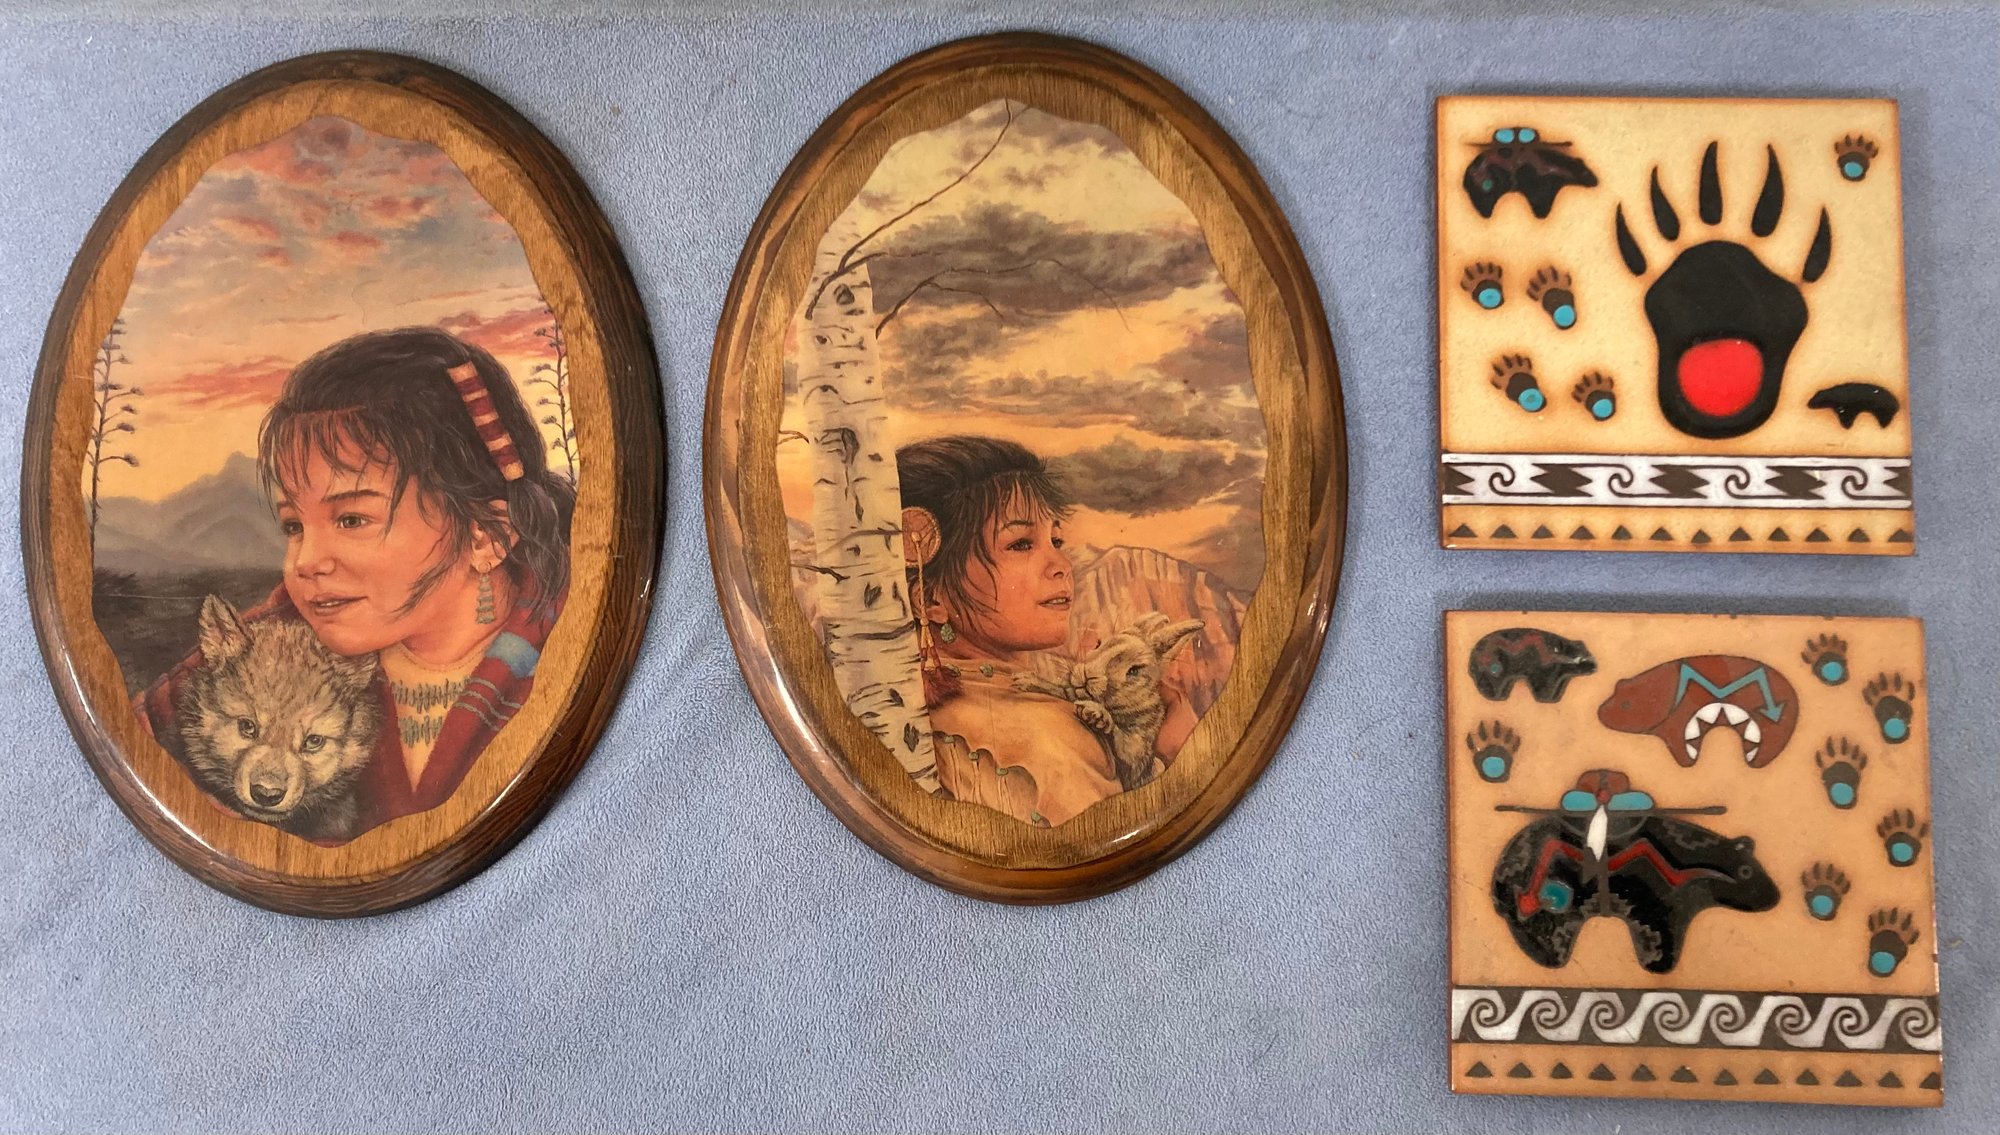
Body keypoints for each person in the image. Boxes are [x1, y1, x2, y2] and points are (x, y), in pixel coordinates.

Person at [137, 326, 574, 842]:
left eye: (351, 520)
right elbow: (138, 750)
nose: (305, 562)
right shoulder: (264, 646)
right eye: (293, 527)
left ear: (487, 536)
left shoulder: (570, 654)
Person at [899, 435, 1188, 827]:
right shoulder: (1054, 737)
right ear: (931, 598)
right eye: (1021, 544)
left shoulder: (910, 708)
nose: (1061, 565)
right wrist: (1175, 756)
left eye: (1056, 540)